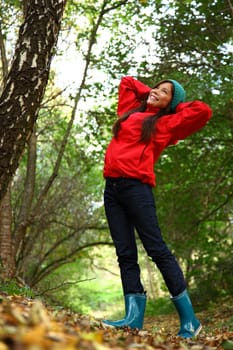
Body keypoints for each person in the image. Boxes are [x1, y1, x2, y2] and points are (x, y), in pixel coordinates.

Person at [102, 76, 212, 338]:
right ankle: (133, 319)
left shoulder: (166, 123)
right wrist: (151, 93)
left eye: (165, 92)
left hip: (137, 189)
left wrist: (172, 105)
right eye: (157, 87)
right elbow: (127, 82)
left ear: (171, 103)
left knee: (157, 250)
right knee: (125, 253)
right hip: (112, 190)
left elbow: (202, 111)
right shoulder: (129, 113)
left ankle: (189, 321)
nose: (156, 92)